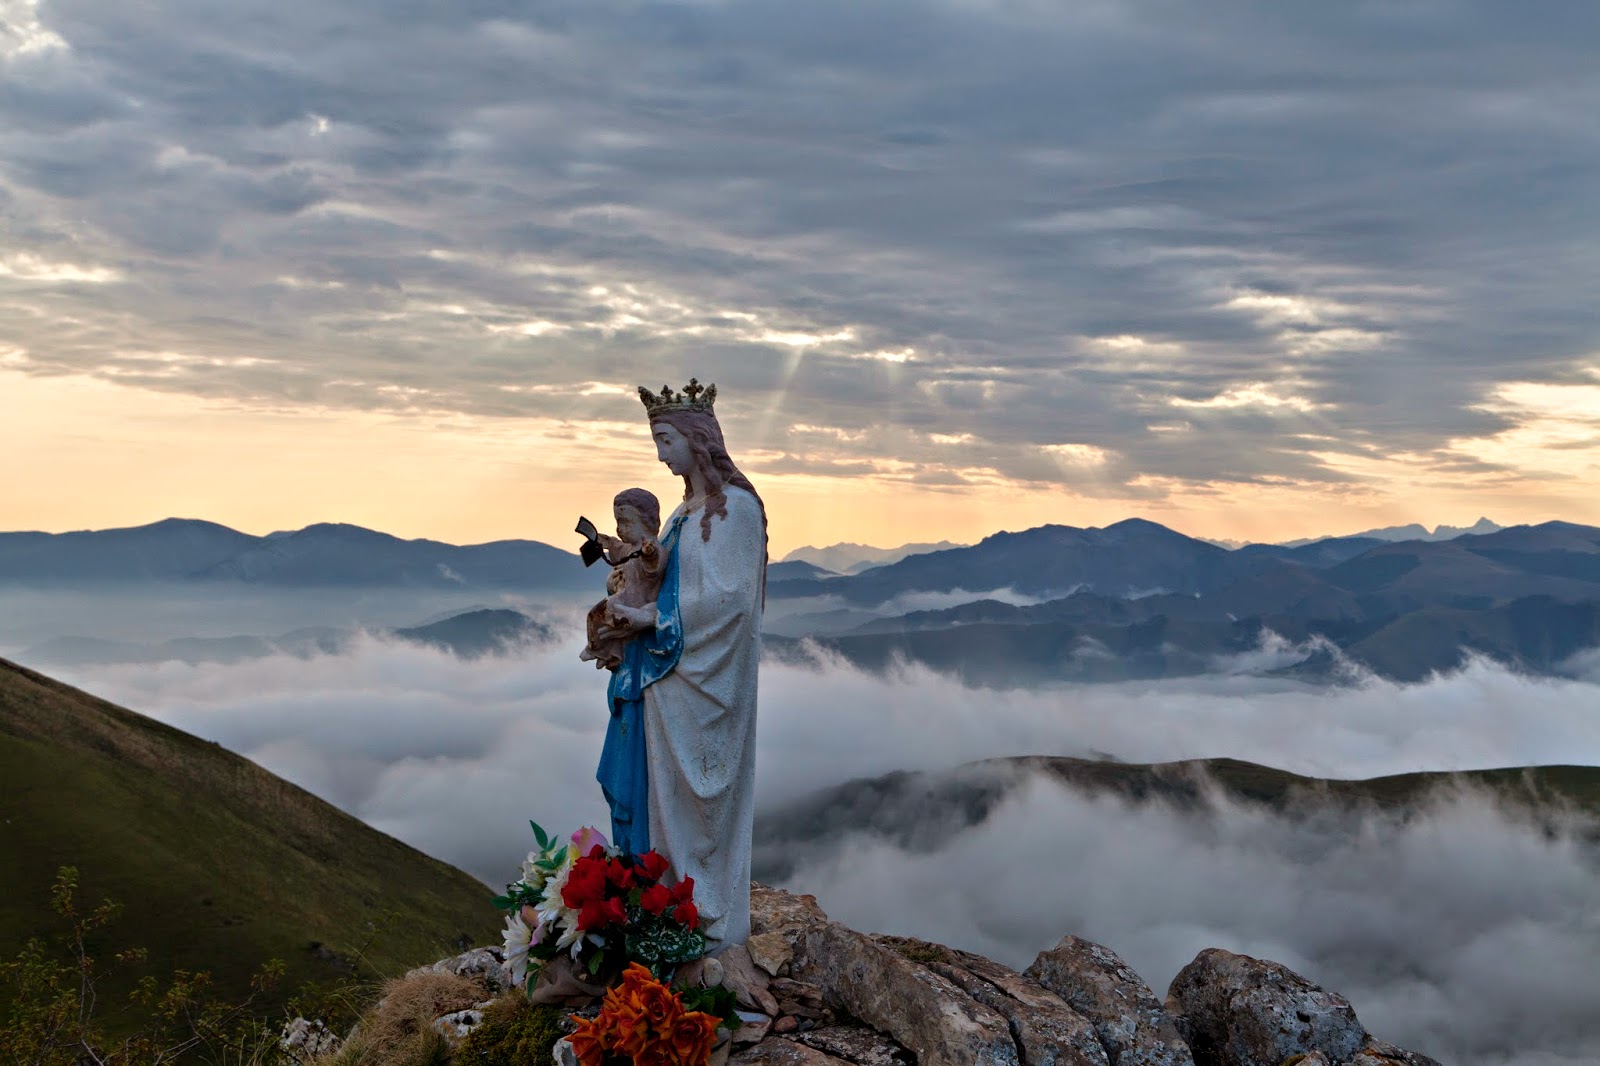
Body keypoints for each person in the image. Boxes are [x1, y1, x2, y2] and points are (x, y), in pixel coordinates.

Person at [604, 379, 767, 948]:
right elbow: (662, 577)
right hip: (666, 675)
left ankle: (711, 928)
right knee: (662, 801)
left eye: (666, 438)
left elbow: (732, 602)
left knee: (701, 806)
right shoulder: (678, 514)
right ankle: (667, 920)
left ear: (698, 439)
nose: (658, 453)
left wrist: (653, 620)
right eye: (656, 439)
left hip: (705, 682)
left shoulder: (736, 511)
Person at [579, 488, 665, 672]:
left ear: (647, 523)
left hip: (640, 603)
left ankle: (604, 652)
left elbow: (653, 566)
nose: (620, 529)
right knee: (596, 615)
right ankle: (601, 651)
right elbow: (617, 549)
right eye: (618, 523)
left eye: (626, 523)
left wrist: (649, 553)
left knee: (614, 619)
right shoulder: (629, 548)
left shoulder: (651, 549)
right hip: (625, 598)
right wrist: (606, 542)